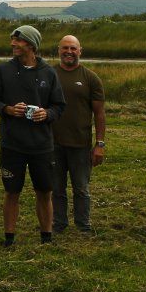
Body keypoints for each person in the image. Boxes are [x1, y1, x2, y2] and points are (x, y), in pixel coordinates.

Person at [0, 25, 66, 247]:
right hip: (12, 144)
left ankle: (46, 237)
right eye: (12, 40)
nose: (13, 44)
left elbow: (59, 106)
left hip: (42, 145)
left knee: (44, 191)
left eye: (18, 41)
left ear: (31, 45)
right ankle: (9, 239)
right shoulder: (3, 70)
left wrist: (46, 114)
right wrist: (7, 109)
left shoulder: (48, 73)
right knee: (12, 192)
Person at [49, 35, 107, 234]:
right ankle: (58, 224)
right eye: (65, 48)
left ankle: (83, 226)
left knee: (81, 189)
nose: (69, 52)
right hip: (53, 144)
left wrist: (100, 144)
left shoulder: (91, 78)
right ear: (59, 50)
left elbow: (99, 114)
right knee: (56, 188)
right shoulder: (49, 75)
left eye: (73, 48)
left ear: (80, 51)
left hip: (80, 145)